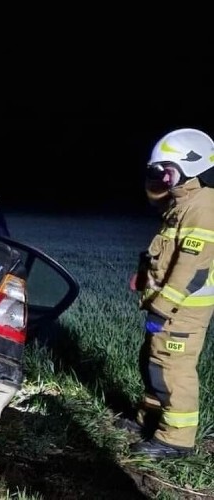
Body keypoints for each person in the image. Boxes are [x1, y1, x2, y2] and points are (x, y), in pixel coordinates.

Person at [124, 128, 214, 459]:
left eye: (166, 170)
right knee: (154, 360)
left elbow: (191, 269)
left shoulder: (203, 208)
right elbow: (168, 254)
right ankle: (148, 418)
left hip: (182, 310)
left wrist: (162, 307)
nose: (161, 177)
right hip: (168, 306)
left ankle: (176, 438)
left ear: (189, 167)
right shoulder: (183, 202)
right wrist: (145, 276)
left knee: (174, 366)